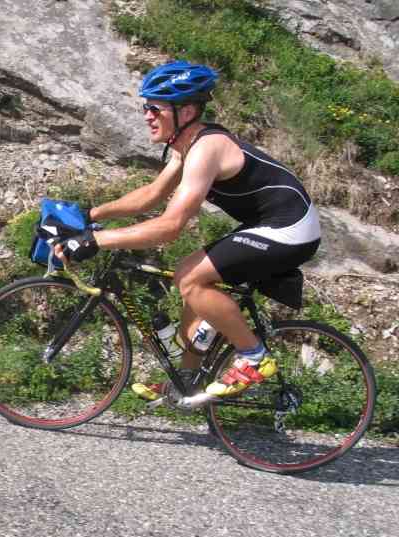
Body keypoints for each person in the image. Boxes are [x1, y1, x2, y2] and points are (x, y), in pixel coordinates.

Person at [55, 60, 321, 403]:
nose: (147, 115)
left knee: (189, 276)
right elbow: (150, 196)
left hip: (292, 228)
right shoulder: (188, 147)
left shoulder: (207, 148)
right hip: (266, 226)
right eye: (145, 107)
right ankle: (186, 381)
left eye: (155, 108)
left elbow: (169, 226)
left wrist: (95, 240)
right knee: (193, 289)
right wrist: (90, 214)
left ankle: (255, 357)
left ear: (188, 110)